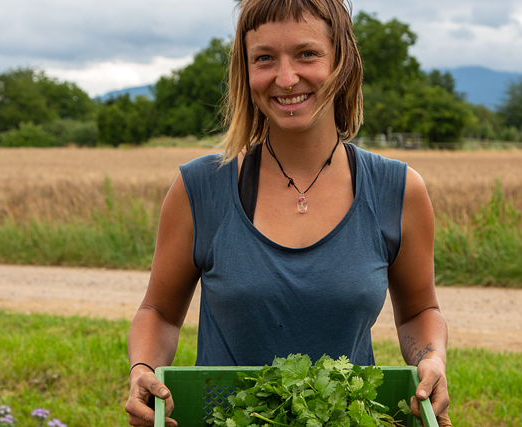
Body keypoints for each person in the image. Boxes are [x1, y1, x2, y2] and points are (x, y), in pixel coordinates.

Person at [124, 0, 451, 426]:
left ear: (342, 62)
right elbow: (160, 313)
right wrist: (143, 369)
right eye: (264, 58)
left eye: (306, 54)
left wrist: (432, 361)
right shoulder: (200, 188)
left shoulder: (398, 189)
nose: (285, 78)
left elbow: (418, 311)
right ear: (246, 73)